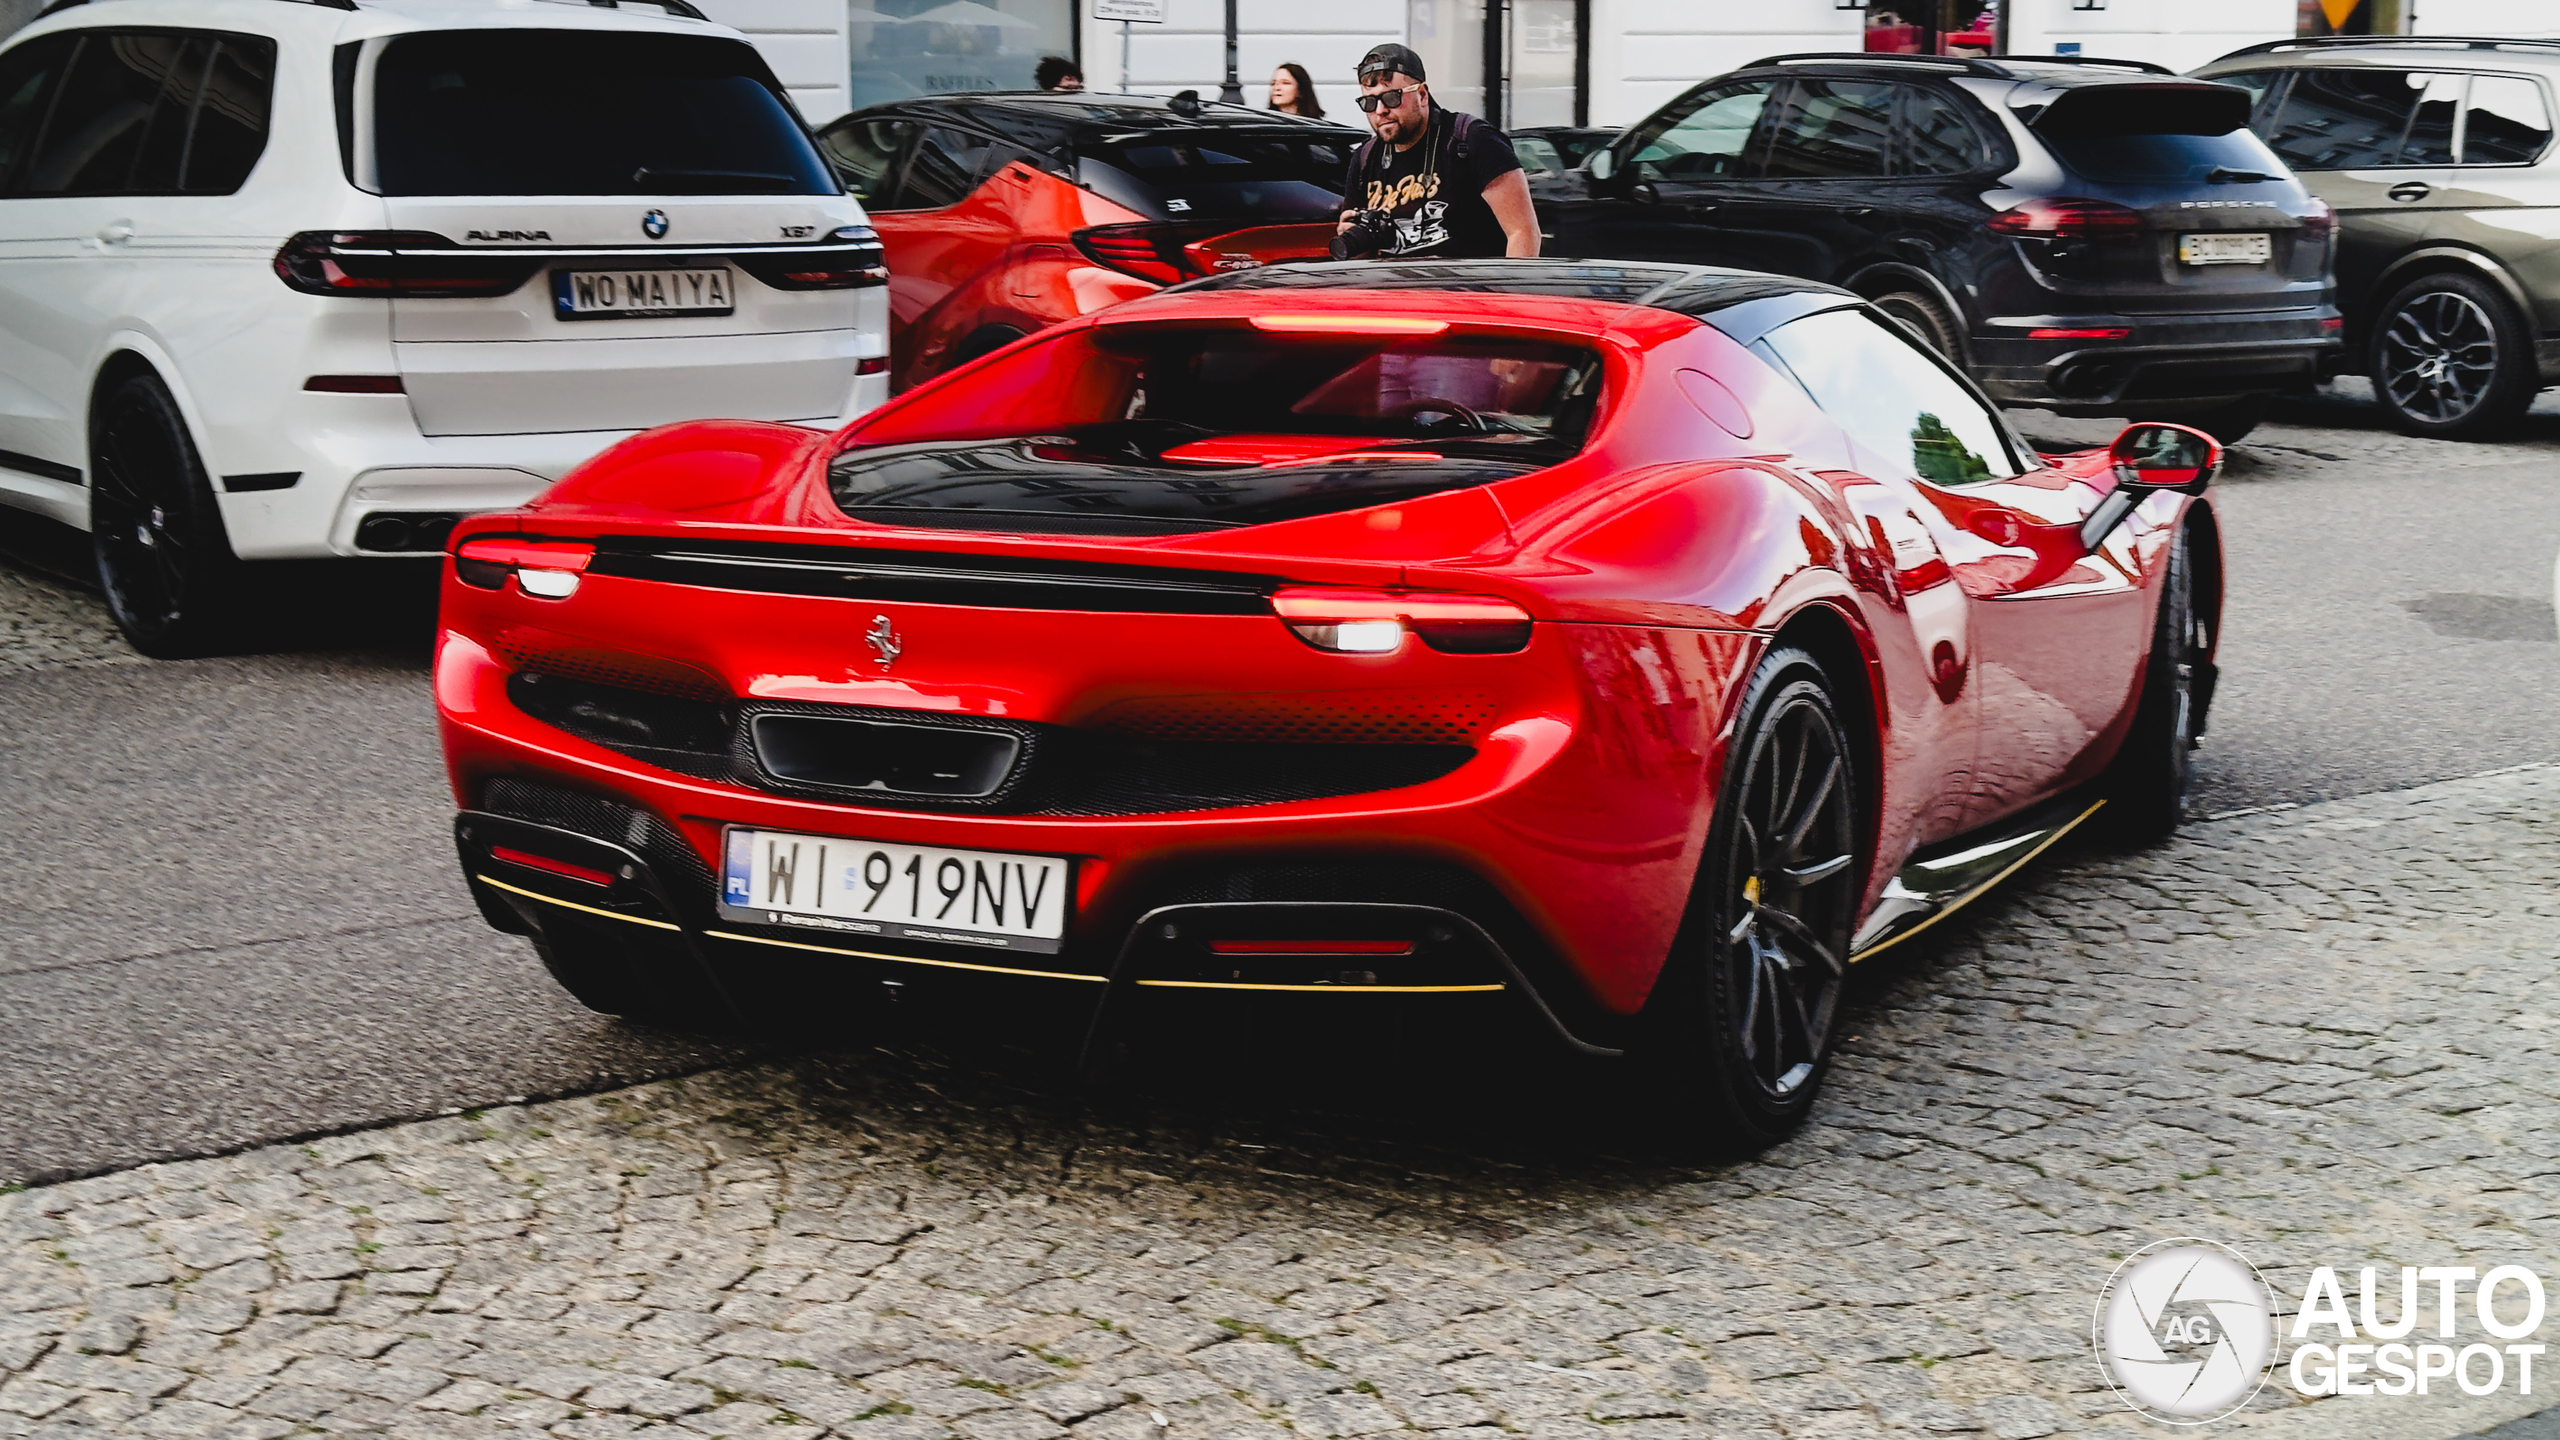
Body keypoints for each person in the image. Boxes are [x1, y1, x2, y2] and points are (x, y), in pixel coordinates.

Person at [1334, 43, 1538, 261]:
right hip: (1396, 291)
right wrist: (1354, 238)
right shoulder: (1365, 158)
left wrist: (1505, 293)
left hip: (1468, 290)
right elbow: (1364, 260)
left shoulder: (1472, 140)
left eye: (1392, 97)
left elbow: (1522, 232)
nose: (1380, 110)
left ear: (1422, 94)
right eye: (1369, 102)